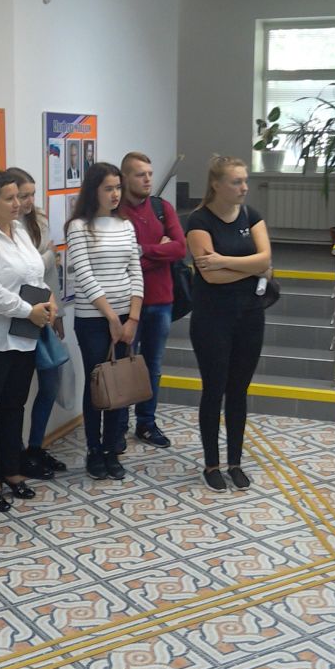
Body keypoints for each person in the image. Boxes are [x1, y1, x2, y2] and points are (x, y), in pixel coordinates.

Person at [0, 170, 59, 508]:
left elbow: (35, 274)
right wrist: (29, 310)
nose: (18, 203)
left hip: (25, 335)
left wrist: (48, 301)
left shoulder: (18, 231)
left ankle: (11, 469)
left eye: (19, 196)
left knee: (15, 404)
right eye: (10, 198)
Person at [186, 156, 272, 492]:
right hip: (212, 319)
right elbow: (210, 276)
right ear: (216, 185)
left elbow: (266, 260)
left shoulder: (251, 215)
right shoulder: (199, 220)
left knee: (239, 390)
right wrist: (251, 268)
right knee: (214, 389)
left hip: (250, 315)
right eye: (237, 181)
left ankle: (235, 462)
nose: (244, 187)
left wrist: (223, 260)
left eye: (245, 180)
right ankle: (212, 464)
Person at [67, 162, 143, 480]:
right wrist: (111, 317)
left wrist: (132, 317)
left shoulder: (125, 225)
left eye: (118, 188)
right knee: (98, 383)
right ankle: (94, 450)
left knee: (119, 384)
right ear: (93, 191)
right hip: (93, 319)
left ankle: (112, 449)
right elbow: (84, 275)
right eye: (108, 188)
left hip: (126, 317)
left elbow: (135, 271)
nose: (115, 194)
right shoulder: (78, 227)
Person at [118, 151, 187, 449]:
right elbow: (119, 261)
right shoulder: (115, 212)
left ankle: (146, 423)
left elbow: (180, 248)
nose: (147, 179)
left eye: (149, 173)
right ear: (125, 178)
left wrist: (142, 251)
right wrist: (158, 251)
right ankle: (118, 425)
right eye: (140, 174)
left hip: (160, 300)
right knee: (123, 365)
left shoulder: (162, 208)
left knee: (153, 366)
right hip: (125, 302)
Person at [13, 168, 68, 477]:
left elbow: (49, 272)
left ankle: (36, 446)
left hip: (46, 311)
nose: (28, 201)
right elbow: (28, 269)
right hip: (20, 315)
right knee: (17, 392)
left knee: (50, 383)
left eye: (32, 194)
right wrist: (48, 256)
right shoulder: (5, 226)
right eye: (23, 195)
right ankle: (17, 452)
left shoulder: (40, 220)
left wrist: (57, 314)